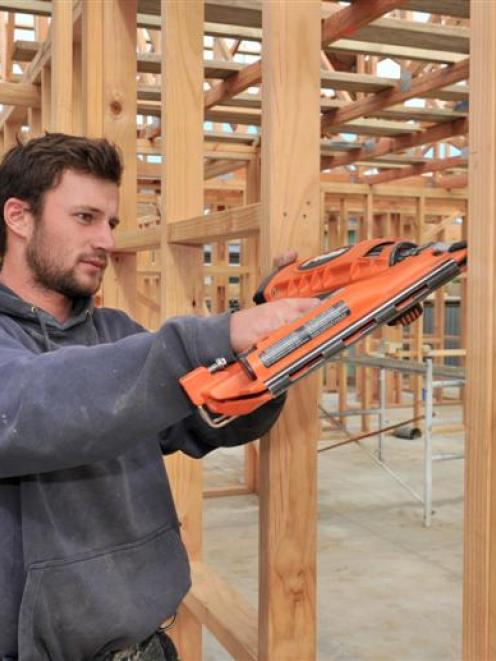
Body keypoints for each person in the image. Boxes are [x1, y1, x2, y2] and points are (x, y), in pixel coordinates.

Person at [0, 134, 319, 661]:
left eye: (111, 223)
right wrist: (208, 337)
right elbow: (30, 406)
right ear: (19, 217)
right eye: (85, 218)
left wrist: (276, 353)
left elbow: (205, 419)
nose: (105, 240)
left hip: (149, 647)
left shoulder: (116, 333)